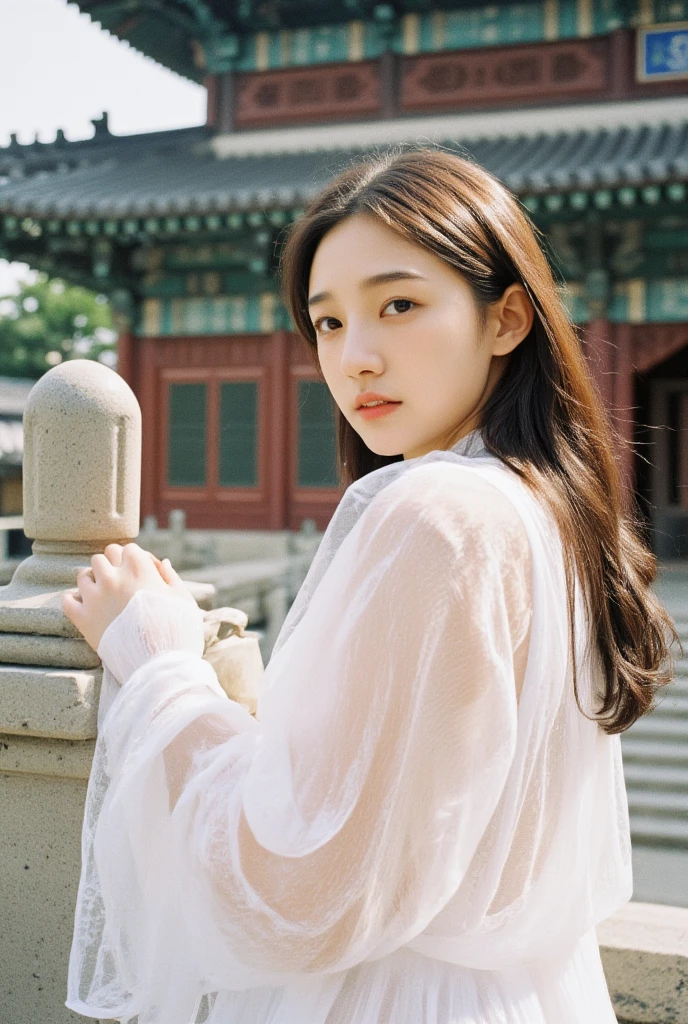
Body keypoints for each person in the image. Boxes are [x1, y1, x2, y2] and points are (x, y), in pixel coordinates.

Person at [63, 148, 677, 1024]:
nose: (355, 358)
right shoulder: (550, 515)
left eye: (399, 305)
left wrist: (160, 662)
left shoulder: (436, 516)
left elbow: (304, 893)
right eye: (329, 324)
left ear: (506, 318)